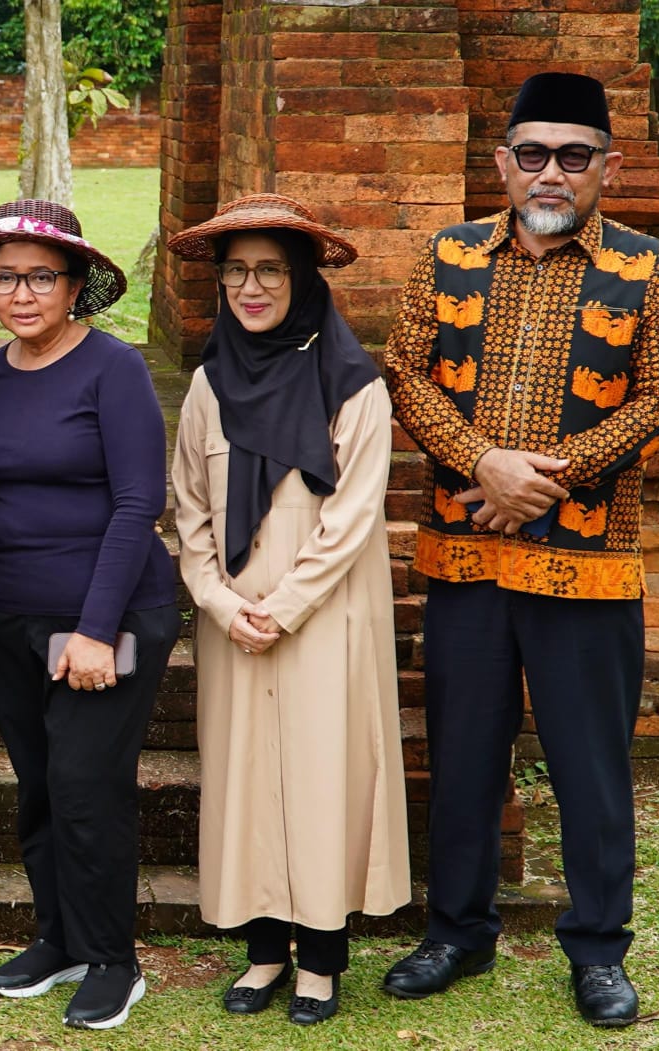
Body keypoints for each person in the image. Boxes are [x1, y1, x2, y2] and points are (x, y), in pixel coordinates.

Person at [382, 72, 659, 1027]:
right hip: (465, 560)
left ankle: (598, 948)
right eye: (532, 154)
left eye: (572, 155)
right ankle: (455, 931)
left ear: (605, 166)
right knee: (464, 756)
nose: (549, 173)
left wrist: (539, 483)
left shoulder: (650, 268)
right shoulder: (449, 255)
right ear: (502, 163)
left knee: (589, 767)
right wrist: (484, 459)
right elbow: (404, 372)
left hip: (587, 563)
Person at [0, 200, 179, 1030]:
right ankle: (59, 936)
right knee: (38, 782)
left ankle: (112, 956)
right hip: (2, 611)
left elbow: (139, 499)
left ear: (75, 286)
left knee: (85, 784)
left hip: (105, 611)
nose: (22, 292)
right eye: (6, 277)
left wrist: (96, 627)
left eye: (41, 276)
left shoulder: (113, 369)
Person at [166, 193, 410, 1026]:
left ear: (301, 278)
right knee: (245, 780)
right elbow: (189, 506)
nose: (251, 287)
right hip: (231, 616)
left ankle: (321, 960)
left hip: (326, 616)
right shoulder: (206, 382)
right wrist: (216, 598)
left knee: (321, 778)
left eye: (269, 269)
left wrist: (285, 606)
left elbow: (352, 518)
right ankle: (263, 950)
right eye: (235, 271)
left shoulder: (353, 384)